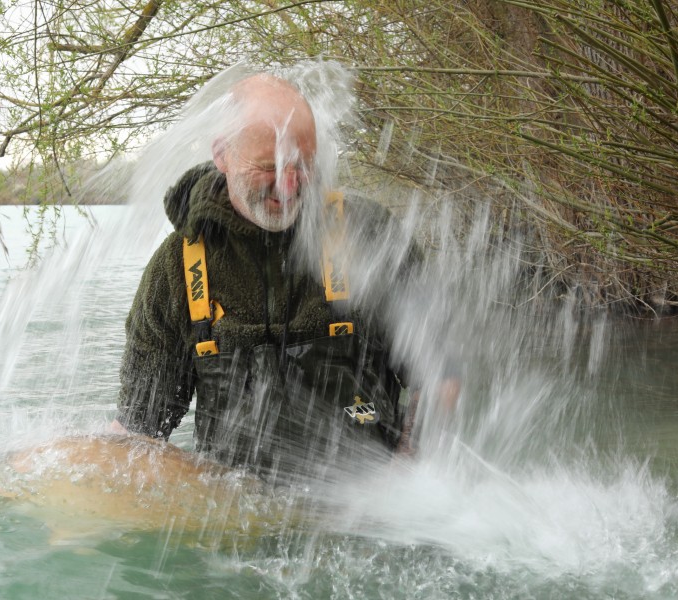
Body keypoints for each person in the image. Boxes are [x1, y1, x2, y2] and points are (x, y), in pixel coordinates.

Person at [114, 73, 455, 483]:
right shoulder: (177, 270)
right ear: (223, 154)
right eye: (269, 167)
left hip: (368, 511)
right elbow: (138, 436)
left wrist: (410, 470)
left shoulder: (369, 236)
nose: (290, 186)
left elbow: (441, 372)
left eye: (303, 165)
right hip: (236, 526)